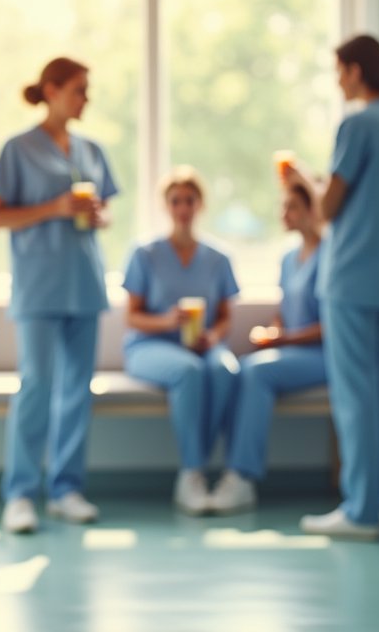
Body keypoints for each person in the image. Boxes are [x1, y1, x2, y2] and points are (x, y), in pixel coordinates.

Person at [287, 34, 379, 539]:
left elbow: (327, 209)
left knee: (354, 395)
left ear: (356, 71)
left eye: (339, 71)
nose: (337, 81)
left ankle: (360, 510)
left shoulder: (358, 124)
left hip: (351, 280)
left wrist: (304, 179)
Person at [0, 56, 118, 533]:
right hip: (40, 286)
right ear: (53, 90)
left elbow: (105, 212)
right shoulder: (17, 149)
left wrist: (96, 215)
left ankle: (66, 489)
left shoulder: (92, 150)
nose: (86, 98)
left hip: (84, 283)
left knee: (77, 391)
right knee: (37, 386)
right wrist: (54, 207)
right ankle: (20, 494)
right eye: (80, 89)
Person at [121, 166, 241, 516]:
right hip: (149, 345)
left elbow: (225, 317)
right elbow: (132, 316)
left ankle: (196, 468)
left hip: (202, 345)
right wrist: (166, 321)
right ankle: (193, 473)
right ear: (166, 206)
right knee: (189, 372)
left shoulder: (218, 259)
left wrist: (212, 336)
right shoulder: (145, 253)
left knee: (224, 371)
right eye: (176, 201)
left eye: (189, 201)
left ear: (200, 204)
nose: (183, 208)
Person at [210, 180, 327, 513]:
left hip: (321, 355)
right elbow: (284, 313)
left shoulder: (329, 255)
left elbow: (332, 326)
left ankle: (243, 477)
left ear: (311, 212)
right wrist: (272, 333)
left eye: (292, 206)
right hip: (291, 350)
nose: (284, 213)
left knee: (258, 373)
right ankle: (233, 472)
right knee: (241, 367)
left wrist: (284, 340)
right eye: (282, 206)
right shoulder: (289, 258)